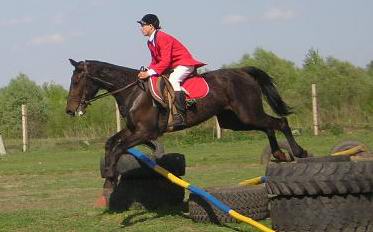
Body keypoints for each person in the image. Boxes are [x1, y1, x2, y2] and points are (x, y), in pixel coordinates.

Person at [137, 14, 205, 128]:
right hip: (173, 66)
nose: (141, 28)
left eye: (143, 25)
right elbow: (155, 61)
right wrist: (147, 71)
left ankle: (181, 117)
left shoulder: (162, 37)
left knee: (173, 80)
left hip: (184, 63)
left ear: (151, 26)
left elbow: (165, 61)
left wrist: (149, 72)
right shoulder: (150, 42)